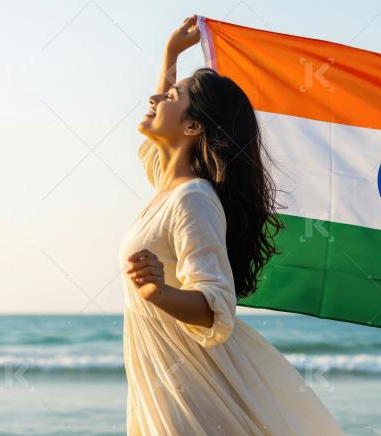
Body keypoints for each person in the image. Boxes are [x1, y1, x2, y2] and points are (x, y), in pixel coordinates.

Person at [119, 15, 344, 435]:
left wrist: (159, 291)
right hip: (166, 380)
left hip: (192, 390)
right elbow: (158, 153)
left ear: (192, 126)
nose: (154, 100)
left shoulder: (193, 199)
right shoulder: (168, 188)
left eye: (169, 96)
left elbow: (215, 309)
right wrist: (169, 56)